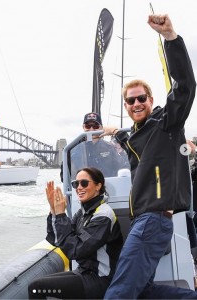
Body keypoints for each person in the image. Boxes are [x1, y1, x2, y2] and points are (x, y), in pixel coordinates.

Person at [101, 14, 197, 299]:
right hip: (145, 222)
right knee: (142, 292)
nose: (136, 103)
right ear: (126, 106)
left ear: (151, 100)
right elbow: (131, 141)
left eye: (141, 98)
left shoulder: (166, 123)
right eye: (130, 100)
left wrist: (170, 38)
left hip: (152, 221)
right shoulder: (136, 136)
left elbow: (185, 87)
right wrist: (110, 131)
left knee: (118, 293)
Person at [28, 167, 123, 299]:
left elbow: (76, 250)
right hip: (83, 272)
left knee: (37, 288)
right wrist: (54, 210)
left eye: (84, 183)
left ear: (98, 186)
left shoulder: (103, 215)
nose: (78, 187)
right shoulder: (83, 213)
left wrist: (61, 214)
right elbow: (54, 239)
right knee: (36, 284)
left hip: (100, 278)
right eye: (75, 184)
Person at [60, 112, 120, 182]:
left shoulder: (110, 148)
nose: (91, 129)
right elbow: (64, 177)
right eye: (88, 126)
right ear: (83, 127)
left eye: (95, 126)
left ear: (101, 127)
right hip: (82, 188)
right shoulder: (72, 149)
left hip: (106, 187)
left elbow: (119, 170)